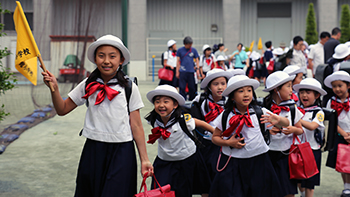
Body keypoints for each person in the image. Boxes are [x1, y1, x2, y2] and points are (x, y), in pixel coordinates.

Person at [41, 35, 153, 196]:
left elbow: (136, 126)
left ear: (121, 60)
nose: (106, 61)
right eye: (101, 55)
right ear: (95, 59)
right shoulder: (87, 84)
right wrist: (55, 89)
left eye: (112, 56)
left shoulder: (129, 87)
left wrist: (144, 159)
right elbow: (62, 109)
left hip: (122, 152)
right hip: (93, 150)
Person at [209, 75, 289, 197]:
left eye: (249, 90)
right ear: (232, 97)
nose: (246, 94)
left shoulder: (260, 112)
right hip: (233, 162)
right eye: (241, 91)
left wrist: (278, 119)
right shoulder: (225, 116)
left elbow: (287, 123)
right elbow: (215, 138)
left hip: (259, 161)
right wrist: (228, 143)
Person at [145, 85, 212, 197]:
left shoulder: (183, 120)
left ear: (175, 105)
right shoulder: (154, 120)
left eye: (166, 102)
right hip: (164, 160)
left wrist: (216, 133)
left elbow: (200, 123)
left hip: (185, 159)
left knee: (185, 190)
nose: (161, 105)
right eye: (157, 102)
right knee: (160, 190)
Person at [263, 71, 304, 197]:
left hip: (286, 154)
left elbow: (300, 130)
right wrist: (267, 131)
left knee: (287, 189)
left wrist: (292, 129)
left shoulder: (292, 108)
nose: (292, 90)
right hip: (267, 153)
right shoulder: (264, 107)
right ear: (276, 89)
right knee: (268, 188)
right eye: (288, 86)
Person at [192, 69, 232, 182]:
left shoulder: (230, 101)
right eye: (215, 84)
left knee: (222, 175)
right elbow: (195, 121)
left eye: (223, 84)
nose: (220, 87)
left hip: (224, 144)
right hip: (205, 144)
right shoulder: (200, 101)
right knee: (205, 176)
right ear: (209, 86)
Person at [293, 78, 327, 197]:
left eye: (308, 92)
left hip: (312, 151)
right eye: (302, 92)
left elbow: (313, 126)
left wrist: (298, 119)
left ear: (317, 95)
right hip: (297, 149)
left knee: (310, 182)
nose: (304, 95)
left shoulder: (318, 112)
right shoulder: (297, 109)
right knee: (297, 178)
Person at [324, 71, 350, 197]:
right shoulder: (331, 102)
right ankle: (346, 187)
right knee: (343, 163)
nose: (337, 89)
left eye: (340, 85)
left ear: (348, 86)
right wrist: (344, 134)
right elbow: (332, 122)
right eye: (334, 86)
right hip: (340, 136)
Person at [176, 36, 201, 100]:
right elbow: (178, 61)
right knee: (182, 87)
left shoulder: (193, 50)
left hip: (191, 71)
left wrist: (198, 69)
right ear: (185, 44)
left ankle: (192, 100)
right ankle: (182, 100)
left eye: (191, 44)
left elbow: (197, 60)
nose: (190, 45)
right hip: (183, 71)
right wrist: (177, 72)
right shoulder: (180, 50)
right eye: (189, 44)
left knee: (192, 87)